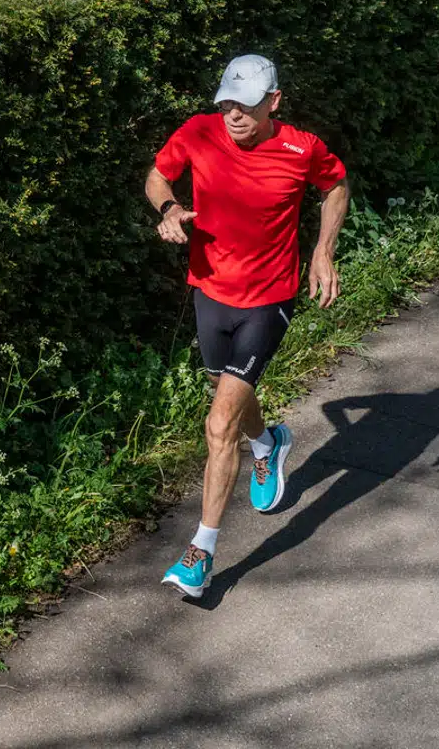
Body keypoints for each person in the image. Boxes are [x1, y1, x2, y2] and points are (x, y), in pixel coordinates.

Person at [144, 54, 350, 598]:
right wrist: (168, 209)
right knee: (229, 392)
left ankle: (201, 552)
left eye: (247, 105)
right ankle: (270, 442)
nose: (234, 115)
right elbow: (158, 175)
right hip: (210, 290)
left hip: (269, 299)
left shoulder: (302, 149)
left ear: (274, 102)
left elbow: (336, 186)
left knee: (218, 425)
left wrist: (322, 251)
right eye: (227, 103)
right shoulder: (199, 132)